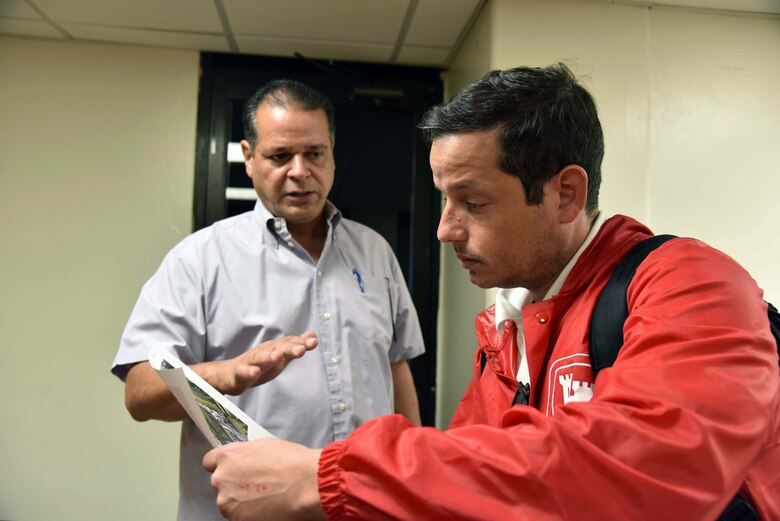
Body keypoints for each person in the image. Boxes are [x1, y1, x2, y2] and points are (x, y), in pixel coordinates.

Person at [201, 63, 780, 521]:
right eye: (444, 199)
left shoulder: (689, 282)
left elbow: (655, 473)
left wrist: (329, 479)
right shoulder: (507, 329)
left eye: (473, 203)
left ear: (566, 195)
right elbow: (468, 487)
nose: (445, 229)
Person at [111, 79, 425, 521]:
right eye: (280, 156)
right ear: (248, 157)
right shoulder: (199, 260)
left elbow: (395, 366)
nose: (300, 171)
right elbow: (139, 392)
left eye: (315, 154)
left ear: (332, 151)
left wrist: (412, 478)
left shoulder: (375, 252)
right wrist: (226, 374)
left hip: (362, 507)